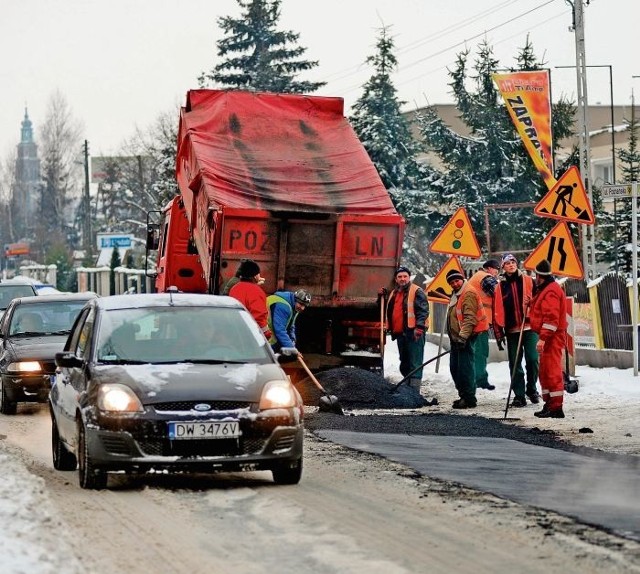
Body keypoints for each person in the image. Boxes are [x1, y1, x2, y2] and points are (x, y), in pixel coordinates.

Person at [494, 253, 541, 408]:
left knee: (533, 359)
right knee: (515, 364)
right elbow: (496, 310)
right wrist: (499, 333)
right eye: (507, 263)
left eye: (513, 262)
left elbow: (540, 300)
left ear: (517, 264)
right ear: (503, 267)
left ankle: (532, 389)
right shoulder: (499, 287)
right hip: (511, 330)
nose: (511, 265)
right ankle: (519, 395)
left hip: (529, 327)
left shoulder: (529, 281)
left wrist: (532, 302)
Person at [528, 259, 568, 418]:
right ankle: (549, 404)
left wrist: (543, 338)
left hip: (552, 337)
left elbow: (551, 319)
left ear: (539, 275)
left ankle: (556, 407)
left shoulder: (550, 291)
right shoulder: (545, 289)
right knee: (544, 372)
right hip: (548, 336)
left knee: (551, 371)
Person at [445, 268, 488, 409]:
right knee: (455, 368)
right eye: (452, 282)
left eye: (456, 281)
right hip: (457, 339)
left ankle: (469, 398)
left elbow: (470, 319)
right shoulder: (457, 294)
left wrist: (463, 338)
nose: (455, 284)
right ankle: (463, 395)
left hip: (466, 338)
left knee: (465, 369)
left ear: (462, 279)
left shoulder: (468, 293)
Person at [385, 266, 429, 393]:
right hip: (401, 333)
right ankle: (408, 387)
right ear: (396, 279)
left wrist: (419, 328)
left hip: (414, 332)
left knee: (415, 361)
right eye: (400, 277)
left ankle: (414, 391)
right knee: (404, 361)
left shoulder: (417, 291)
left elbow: (423, 311)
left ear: (409, 278)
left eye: (405, 276)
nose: (402, 279)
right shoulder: (394, 293)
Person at [466, 259, 500, 391]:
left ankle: (477, 379)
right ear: (490, 269)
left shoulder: (476, 277)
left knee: (476, 351)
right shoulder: (486, 278)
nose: (497, 273)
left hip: (474, 320)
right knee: (480, 351)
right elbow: (499, 294)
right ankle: (478, 380)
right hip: (479, 321)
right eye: (496, 269)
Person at [229, 259, 271, 340]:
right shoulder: (257, 291)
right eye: (259, 274)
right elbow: (259, 317)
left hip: (234, 333)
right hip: (250, 337)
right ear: (255, 276)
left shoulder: (234, 288)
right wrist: (267, 334)